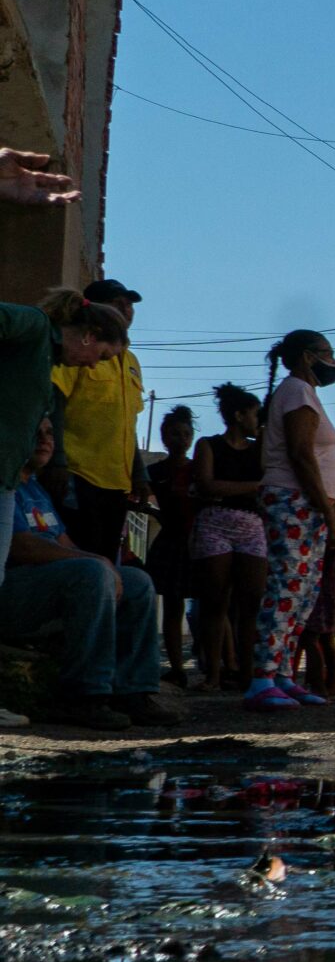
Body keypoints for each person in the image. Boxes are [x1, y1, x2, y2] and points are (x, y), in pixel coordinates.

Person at [1, 418, 179, 730]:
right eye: (35, 432)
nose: (45, 440)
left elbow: (63, 542)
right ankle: (84, 695)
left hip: (49, 585)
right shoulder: (7, 486)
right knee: (92, 572)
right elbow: (21, 546)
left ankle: (133, 691)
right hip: (14, 590)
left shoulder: (37, 490)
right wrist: (96, 563)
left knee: (138, 582)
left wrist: (102, 564)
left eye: (50, 433)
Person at [0, 291, 125, 728]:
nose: (92, 366)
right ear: (89, 335)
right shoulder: (34, 326)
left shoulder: (44, 360)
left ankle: (125, 691)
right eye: (101, 356)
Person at [244, 330, 335, 714]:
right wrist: (329, 511)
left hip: (307, 506)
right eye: (327, 353)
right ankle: (262, 678)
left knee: (302, 594)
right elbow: (302, 454)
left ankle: (283, 674)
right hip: (293, 500)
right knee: (286, 589)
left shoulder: (305, 393)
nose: (333, 361)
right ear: (306, 356)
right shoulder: (297, 392)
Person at [47, 278, 148, 560]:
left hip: (117, 483)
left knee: (106, 558)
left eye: (130, 305)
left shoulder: (132, 362)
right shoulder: (80, 347)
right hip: (79, 474)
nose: (126, 310)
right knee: (80, 555)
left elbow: (128, 423)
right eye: (118, 303)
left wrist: (139, 473)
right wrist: (57, 460)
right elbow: (55, 402)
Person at [190, 384, 267, 691]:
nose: (258, 421)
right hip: (215, 524)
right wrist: (252, 488)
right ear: (239, 415)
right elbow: (206, 485)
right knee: (215, 601)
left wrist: (231, 488)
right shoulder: (208, 445)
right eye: (255, 414)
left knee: (251, 603)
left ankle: (248, 674)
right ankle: (213, 675)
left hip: (250, 526)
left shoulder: (259, 450)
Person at [143, 405, 196, 686]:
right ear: (164, 437)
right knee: (173, 605)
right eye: (176, 434)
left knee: (214, 605)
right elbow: (137, 497)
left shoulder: (198, 470)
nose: (182, 439)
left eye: (186, 434)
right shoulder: (155, 471)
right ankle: (178, 668)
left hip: (197, 541)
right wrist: (155, 513)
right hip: (172, 541)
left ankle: (221, 665)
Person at [296, 544, 335, 700]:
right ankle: (333, 685)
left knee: (309, 637)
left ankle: (317, 685)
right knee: (327, 638)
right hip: (331, 584)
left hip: (316, 583)